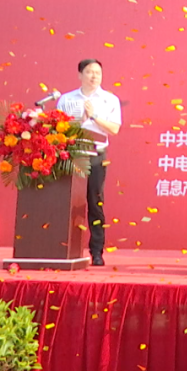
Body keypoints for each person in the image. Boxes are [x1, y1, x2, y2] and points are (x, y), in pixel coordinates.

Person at [57, 58, 122, 267]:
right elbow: (58, 127)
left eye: (97, 72)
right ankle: (65, 248)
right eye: (89, 72)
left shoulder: (110, 99)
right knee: (68, 202)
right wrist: (77, 122)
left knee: (95, 202)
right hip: (71, 155)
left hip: (96, 155)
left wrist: (93, 117)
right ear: (80, 75)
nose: (94, 76)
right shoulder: (66, 99)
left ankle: (96, 251)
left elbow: (114, 129)